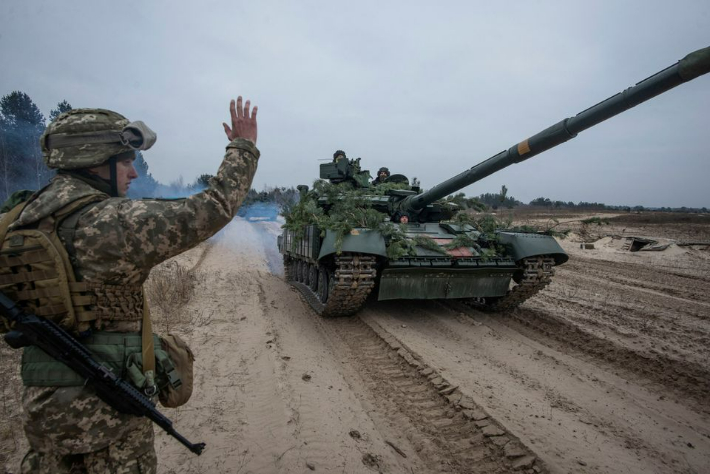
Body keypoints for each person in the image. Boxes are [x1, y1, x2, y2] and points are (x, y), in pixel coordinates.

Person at [3, 96, 259, 473]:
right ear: (94, 162)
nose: (133, 174)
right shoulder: (108, 222)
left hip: (45, 413)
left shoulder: (18, 219)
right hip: (107, 419)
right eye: (125, 162)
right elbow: (212, 208)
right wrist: (244, 148)